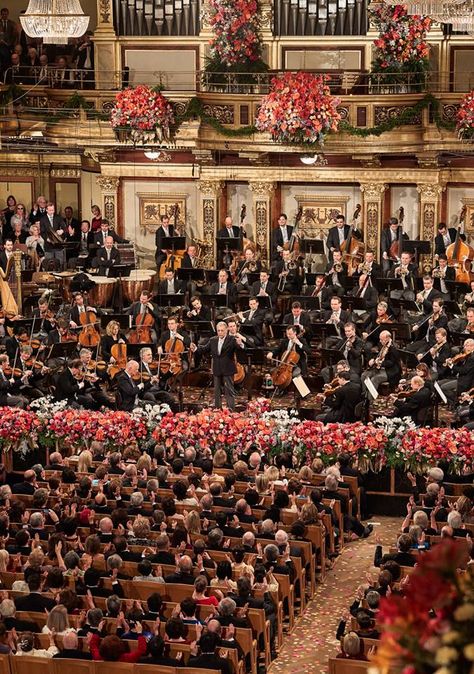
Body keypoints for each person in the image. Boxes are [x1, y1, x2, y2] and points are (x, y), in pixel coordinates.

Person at [190, 321, 244, 411]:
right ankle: (217, 409)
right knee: (216, 391)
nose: (220, 332)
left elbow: (239, 348)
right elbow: (204, 349)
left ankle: (231, 410)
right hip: (217, 368)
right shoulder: (213, 340)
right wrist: (195, 349)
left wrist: (240, 343)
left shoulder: (231, 339)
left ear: (226, 330)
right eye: (218, 330)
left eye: (222, 330)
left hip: (228, 368)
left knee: (229, 391)